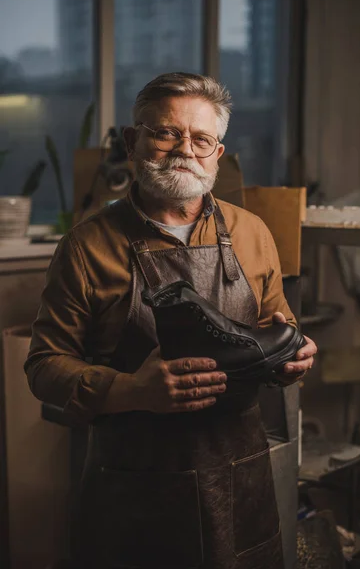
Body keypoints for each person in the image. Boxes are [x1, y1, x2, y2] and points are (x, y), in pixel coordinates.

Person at [25, 72, 317, 569]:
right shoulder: (86, 247)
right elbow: (44, 367)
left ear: (217, 154)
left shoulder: (253, 233)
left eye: (201, 138)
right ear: (132, 140)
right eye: (165, 133)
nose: (185, 149)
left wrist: (294, 359)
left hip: (238, 477)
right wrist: (132, 390)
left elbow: (278, 325)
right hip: (135, 484)